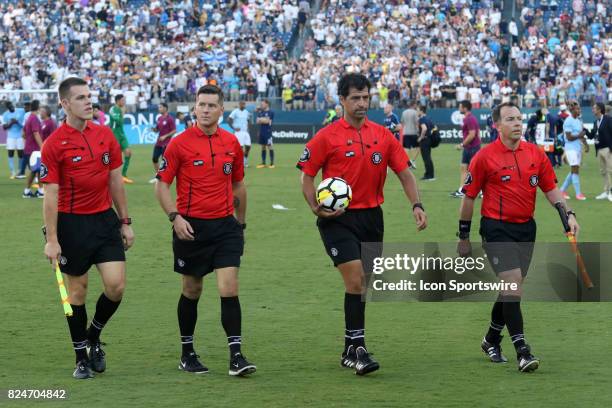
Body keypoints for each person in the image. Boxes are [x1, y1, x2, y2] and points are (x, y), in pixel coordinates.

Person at [296, 73, 427, 376]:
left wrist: (416, 205)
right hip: (337, 219)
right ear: (341, 100)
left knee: (362, 285)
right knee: (354, 280)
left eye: (366, 97)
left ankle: (348, 348)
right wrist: (315, 206)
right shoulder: (326, 136)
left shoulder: (383, 135)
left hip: (372, 218)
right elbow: (306, 176)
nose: (362, 103)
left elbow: (405, 173)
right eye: (355, 98)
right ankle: (359, 350)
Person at [457, 102, 579, 373]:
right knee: (513, 284)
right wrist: (463, 235)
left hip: (526, 229)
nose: (517, 123)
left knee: (511, 287)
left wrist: (568, 214)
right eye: (510, 119)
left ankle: (490, 339)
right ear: (496, 125)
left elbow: (551, 189)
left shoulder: (535, 154)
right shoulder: (484, 157)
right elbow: (468, 198)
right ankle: (522, 350)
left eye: (519, 118)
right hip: (496, 228)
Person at [154, 85, 256, 377]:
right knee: (192, 289)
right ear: (195, 108)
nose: (206, 109)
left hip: (225, 226)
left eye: (212, 105)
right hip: (191, 228)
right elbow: (161, 185)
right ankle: (187, 352)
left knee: (229, 288)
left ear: (222, 110)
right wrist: (175, 217)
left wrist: (241, 221)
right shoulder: (179, 144)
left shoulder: (231, 142)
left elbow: (238, 185)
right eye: (202, 105)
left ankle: (236, 356)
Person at [41, 77, 134, 379]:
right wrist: (52, 239)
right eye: (80, 97)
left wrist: (125, 221)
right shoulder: (54, 144)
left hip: (104, 220)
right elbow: (50, 195)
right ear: (65, 104)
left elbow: (115, 180)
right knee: (77, 293)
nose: (88, 102)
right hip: (71, 224)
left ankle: (93, 335)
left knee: (116, 286)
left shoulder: (105, 135)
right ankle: (80, 357)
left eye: (89, 96)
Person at [450, 100, 481, 198]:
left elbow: (472, 134)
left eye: (460, 107)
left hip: (471, 148)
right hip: (471, 148)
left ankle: (481, 191)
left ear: (465, 108)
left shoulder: (469, 119)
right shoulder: (470, 118)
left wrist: (462, 145)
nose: (459, 108)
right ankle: (462, 191)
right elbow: (478, 133)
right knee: (464, 168)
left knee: (474, 171)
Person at [559, 101, 589, 200]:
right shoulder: (568, 121)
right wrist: (580, 136)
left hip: (578, 148)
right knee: (575, 170)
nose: (579, 110)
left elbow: (581, 134)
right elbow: (569, 137)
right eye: (577, 109)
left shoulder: (578, 121)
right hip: (570, 148)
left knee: (574, 170)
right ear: (572, 110)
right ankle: (578, 194)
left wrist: (586, 144)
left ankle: (562, 190)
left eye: (579, 109)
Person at [589, 103, 612, 201]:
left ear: (599, 110)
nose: (592, 110)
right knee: (603, 171)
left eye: (594, 108)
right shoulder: (595, 122)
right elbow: (591, 136)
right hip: (599, 149)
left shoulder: (608, 119)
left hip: (608, 149)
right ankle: (606, 191)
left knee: (610, 171)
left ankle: (610, 192)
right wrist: (584, 130)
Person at [109, 94, 133, 184]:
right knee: (116, 157)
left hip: (121, 134)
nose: (124, 102)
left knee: (128, 153)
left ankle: (123, 175)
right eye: (123, 100)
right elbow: (118, 121)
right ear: (118, 101)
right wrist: (122, 113)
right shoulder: (113, 109)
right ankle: (115, 176)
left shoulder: (119, 109)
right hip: (114, 134)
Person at [149, 103, 176, 183]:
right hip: (159, 143)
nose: (159, 109)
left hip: (166, 143)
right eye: (159, 107)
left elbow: (174, 130)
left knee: (165, 161)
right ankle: (158, 176)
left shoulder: (170, 119)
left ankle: (166, 176)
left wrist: (165, 136)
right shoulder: (159, 118)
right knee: (154, 159)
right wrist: (154, 129)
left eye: (160, 107)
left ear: (165, 108)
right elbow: (157, 129)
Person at [22, 100, 44, 198]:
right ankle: (30, 191)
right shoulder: (34, 118)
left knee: (37, 170)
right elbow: (36, 133)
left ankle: (37, 190)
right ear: (38, 108)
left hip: (30, 148)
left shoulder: (29, 118)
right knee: (36, 170)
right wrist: (42, 146)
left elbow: (23, 134)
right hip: (34, 149)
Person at [3, 101, 25, 179]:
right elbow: (4, 127)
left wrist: (17, 122)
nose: (11, 107)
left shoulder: (21, 111)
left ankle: (20, 171)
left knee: (20, 154)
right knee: (10, 153)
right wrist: (11, 123)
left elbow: (23, 125)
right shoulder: (5, 114)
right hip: (10, 137)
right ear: (7, 108)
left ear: (13, 104)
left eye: (11, 105)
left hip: (20, 136)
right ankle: (12, 172)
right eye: (8, 106)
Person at [228, 101, 252, 167]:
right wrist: (234, 128)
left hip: (245, 132)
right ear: (239, 104)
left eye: (244, 104)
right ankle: (240, 162)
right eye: (242, 104)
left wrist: (248, 128)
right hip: (239, 132)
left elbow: (249, 120)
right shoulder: (235, 111)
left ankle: (245, 158)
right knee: (240, 147)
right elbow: (229, 119)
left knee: (248, 146)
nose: (243, 105)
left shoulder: (246, 112)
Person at [416, 105, 435, 181]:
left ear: (421, 111)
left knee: (426, 158)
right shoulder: (428, 118)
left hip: (424, 140)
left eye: (417, 110)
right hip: (429, 140)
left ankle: (429, 175)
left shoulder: (422, 119)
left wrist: (420, 137)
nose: (417, 112)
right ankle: (430, 174)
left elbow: (424, 129)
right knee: (428, 158)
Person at [256, 99, 275, 168]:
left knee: (269, 146)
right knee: (263, 147)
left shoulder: (271, 112)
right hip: (261, 131)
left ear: (267, 104)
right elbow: (257, 121)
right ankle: (263, 163)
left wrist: (261, 119)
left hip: (268, 132)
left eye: (263, 104)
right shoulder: (260, 112)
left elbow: (268, 122)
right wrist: (264, 119)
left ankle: (272, 163)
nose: (262, 105)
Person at [400, 100, 419, 167]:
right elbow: (417, 123)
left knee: (406, 149)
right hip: (413, 132)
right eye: (416, 104)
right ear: (413, 105)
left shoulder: (404, 112)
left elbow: (402, 123)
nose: (416, 106)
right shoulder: (415, 112)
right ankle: (412, 161)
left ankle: (406, 162)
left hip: (405, 133)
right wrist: (418, 131)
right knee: (417, 148)